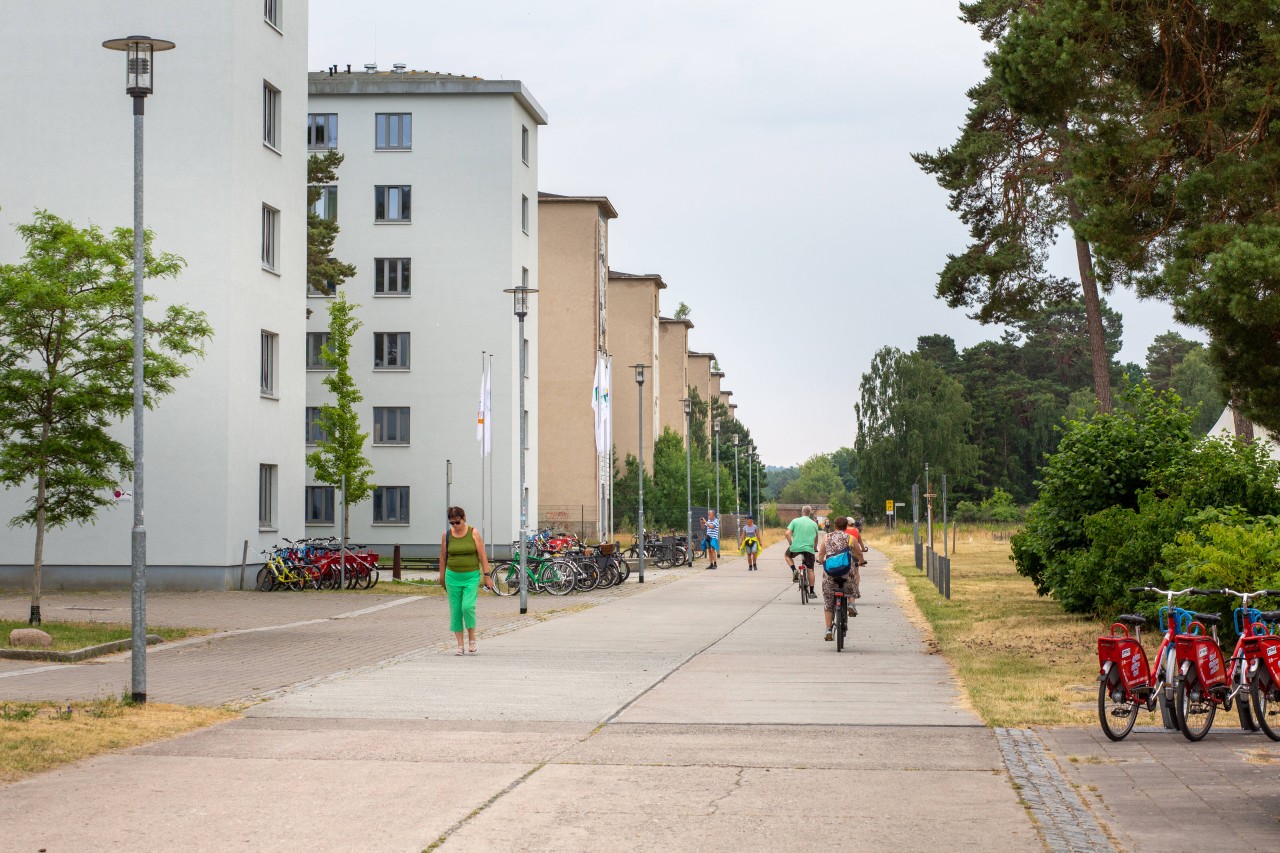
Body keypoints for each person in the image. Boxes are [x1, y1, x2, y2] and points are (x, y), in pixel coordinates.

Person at [438, 506, 493, 655]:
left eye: (457, 522)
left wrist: (487, 576)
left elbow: (482, 555)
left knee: (467, 607)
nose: (455, 525)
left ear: (464, 519)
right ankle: (460, 645)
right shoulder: (447, 535)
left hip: (471, 576)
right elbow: (443, 557)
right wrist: (442, 576)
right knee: (455, 610)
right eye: (452, 523)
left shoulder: (473, 533)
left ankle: (472, 639)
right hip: (452, 576)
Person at [816, 515, 860, 641]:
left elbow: (822, 553)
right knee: (853, 580)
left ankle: (828, 629)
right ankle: (851, 604)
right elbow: (859, 553)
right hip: (846, 572)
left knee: (829, 603)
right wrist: (861, 561)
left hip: (830, 574)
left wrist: (820, 560)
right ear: (846, 526)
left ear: (834, 526)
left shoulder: (827, 537)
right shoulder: (850, 538)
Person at [785, 505, 820, 598]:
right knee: (810, 570)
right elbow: (816, 538)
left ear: (802, 512)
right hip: (809, 548)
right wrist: (815, 548)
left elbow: (787, 533)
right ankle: (811, 592)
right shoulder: (814, 524)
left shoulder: (795, 521)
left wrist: (791, 543)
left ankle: (794, 570)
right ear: (810, 513)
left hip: (795, 547)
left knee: (787, 556)